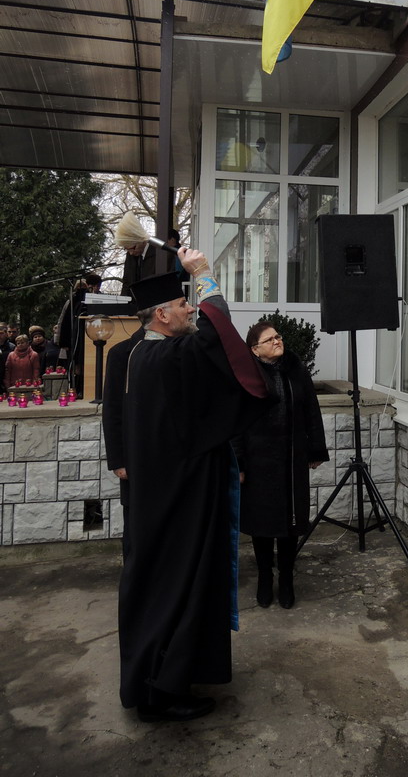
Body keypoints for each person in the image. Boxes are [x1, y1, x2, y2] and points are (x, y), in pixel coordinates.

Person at [117, 252, 268, 723]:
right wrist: (202, 274)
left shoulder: (141, 356)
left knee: (159, 587)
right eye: (183, 305)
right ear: (161, 315)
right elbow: (220, 338)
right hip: (180, 501)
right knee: (176, 588)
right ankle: (162, 692)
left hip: (161, 497)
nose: (190, 310)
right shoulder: (168, 357)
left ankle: (156, 682)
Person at [233, 321, 329, 610]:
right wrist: (238, 463)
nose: (277, 341)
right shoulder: (245, 375)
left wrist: (315, 448)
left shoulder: (296, 369)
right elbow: (236, 423)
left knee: (291, 522)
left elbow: (311, 409)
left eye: (278, 336)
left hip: (291, 459)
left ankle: (286, 578)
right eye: (269, 339)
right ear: (254, 349)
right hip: (258, 462)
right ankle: (265, 576)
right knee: (262, 524)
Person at [101, 325, 145, 559]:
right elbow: (112, 409)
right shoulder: (121, 353)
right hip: (136, 458)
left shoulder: (181, 349)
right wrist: (118, 460)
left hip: (173, 461)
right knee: (137, 527)